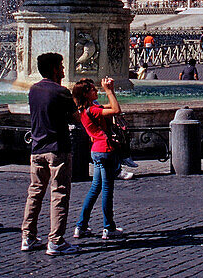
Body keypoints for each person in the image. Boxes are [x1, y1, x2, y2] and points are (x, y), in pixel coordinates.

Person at [21, 53, 77, 255]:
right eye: (61, 66)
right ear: (54, 69)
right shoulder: (61, 92)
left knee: (35, 193)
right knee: (59, 193)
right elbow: (75, 117)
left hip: (36, 149)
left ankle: (28, 237)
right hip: (57, 149)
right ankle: (56, 241)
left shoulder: (33, 90)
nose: (63, 69)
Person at [73, 76, 125, 241]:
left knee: (95, 188)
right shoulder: (93, 110)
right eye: (93, 90)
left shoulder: (85, 109)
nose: (97, 91)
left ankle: (81, 226)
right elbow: (117, 110)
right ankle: (108, 227)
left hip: (96, 151)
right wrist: (109, 91)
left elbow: (112, 106)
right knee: (107, 191)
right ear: (87, 94)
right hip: (105, 150)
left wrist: (111, 92)